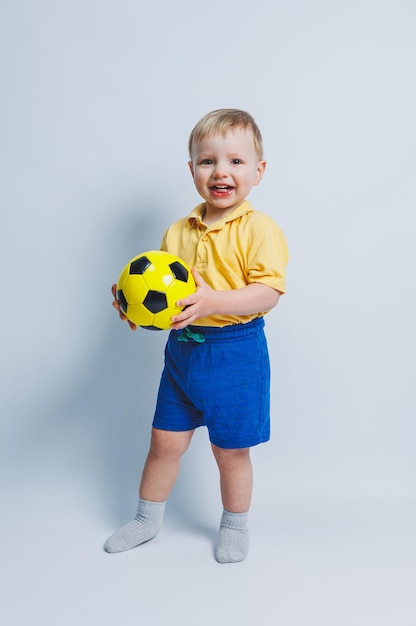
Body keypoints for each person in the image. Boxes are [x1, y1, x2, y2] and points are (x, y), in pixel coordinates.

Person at [104, 108, 289, 563]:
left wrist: (215, 303)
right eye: (207, 161)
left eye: (236, 161)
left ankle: (235, 524)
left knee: (230, 452)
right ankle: (147, 517)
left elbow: (268, 293)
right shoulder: (176, 232)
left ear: (258, 171)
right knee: (164, 442)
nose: (221, 171)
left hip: (236, 354)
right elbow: (166, 296)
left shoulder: (259, 229)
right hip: (183, 355)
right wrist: (135, 305)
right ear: (192, 171)